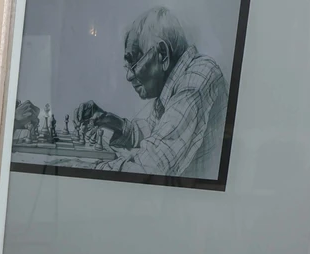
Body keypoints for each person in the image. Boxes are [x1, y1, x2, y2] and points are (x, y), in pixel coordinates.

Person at [74, 7, 229, 179]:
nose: (128, 76)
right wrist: (107, 119)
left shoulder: (197, 79)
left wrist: (82, 169)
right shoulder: (175, 83)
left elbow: (151, 166)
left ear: (162, 54)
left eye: (133, 63)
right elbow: (154, 131)